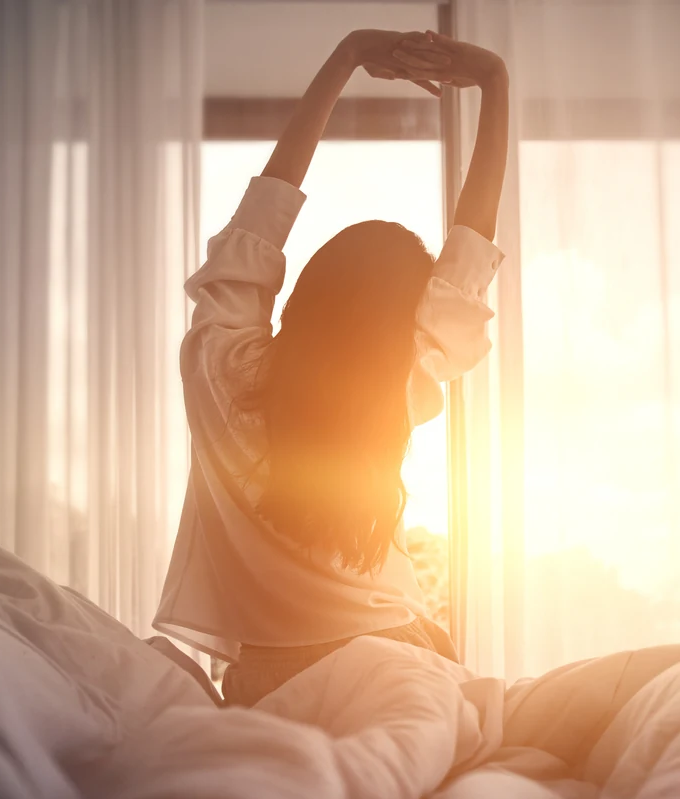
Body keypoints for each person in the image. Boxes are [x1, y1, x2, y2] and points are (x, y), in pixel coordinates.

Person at [153, 28, 509, 706]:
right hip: (401, 657)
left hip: (267, 680)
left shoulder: (218, 367)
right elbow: (470, 250)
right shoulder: (398, 383)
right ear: (402, 322)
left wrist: (346, 57)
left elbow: (260, 220)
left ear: (308, 291)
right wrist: (493, 81)